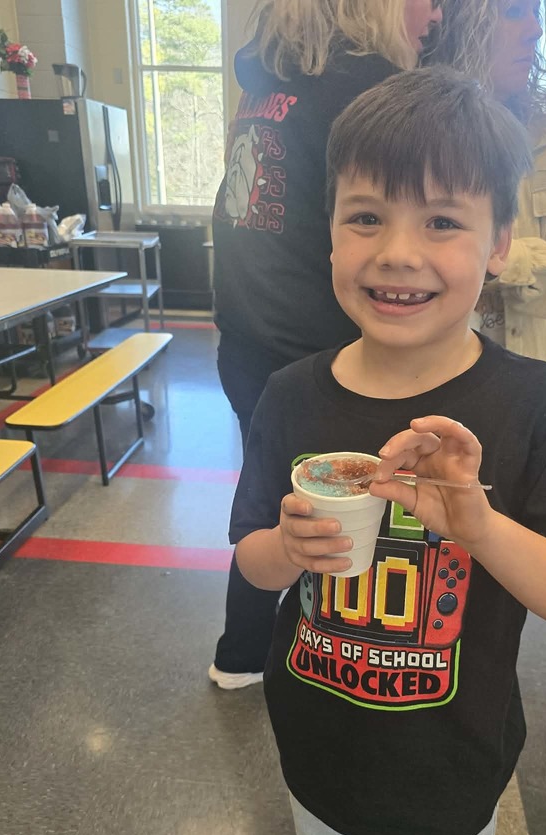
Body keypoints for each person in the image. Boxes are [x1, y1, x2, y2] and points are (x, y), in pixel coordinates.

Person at [230, 67, 546, 835]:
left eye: (443, 222)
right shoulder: (292, 395)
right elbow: (247, 559)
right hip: (316, 736)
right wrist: (286, 550)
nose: (396, 253)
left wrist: (482, 526)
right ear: (328, 229)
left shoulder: (538, 407)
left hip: (450, 757)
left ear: (500, 243)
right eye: (364, 216)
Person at [209, 0, 444, 690]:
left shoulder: (269, 83)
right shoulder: (366, 92)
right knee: (343, 513)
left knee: (273, 501)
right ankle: (342, 660)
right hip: (315, 354)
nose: (433, 15)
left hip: (245, 341)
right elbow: (391, 244)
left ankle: (241, 652)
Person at [432, 0, 546, 372]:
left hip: (531, 376)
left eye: (536, 14)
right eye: (514, 12)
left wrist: (495, 259)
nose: (536, 30)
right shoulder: (410, 133)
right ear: (461, 23)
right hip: (432, 375)